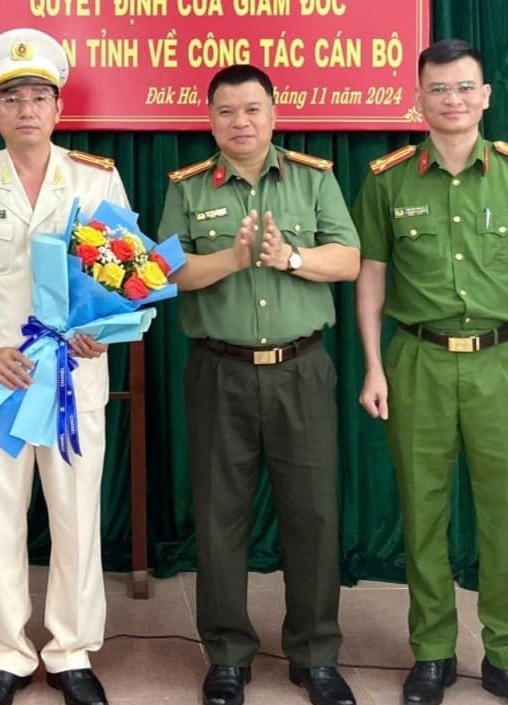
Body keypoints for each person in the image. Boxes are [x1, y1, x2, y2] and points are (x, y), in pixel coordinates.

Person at [352, 39, 508, 705]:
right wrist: (372, 366)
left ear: (486, 96)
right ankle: (433, 652)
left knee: (507, 516)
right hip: (415, 360)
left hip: (505, 364)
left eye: (464, 87)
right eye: (439, 89)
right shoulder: (387, 179)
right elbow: (370, 277)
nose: (452, 99)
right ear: (417, 99)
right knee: (421, 514)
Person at [0, 28, 129, 705]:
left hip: (72, 381)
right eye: (12, 98)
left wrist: (101, 333)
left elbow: (123, 275)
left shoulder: (96, 177)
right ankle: (7, 650)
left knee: (74, 515)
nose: (27, 109)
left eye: (39, 95)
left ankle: (70, 651)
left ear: (58, 107)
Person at [157, 64, 361, 705]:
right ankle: (226, 656)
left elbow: (350, 259)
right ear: (209, 119)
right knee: (219, 518)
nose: (239, 122)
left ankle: (315, 654)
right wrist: (235, 258)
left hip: (301, 370)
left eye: (251, 110)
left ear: (273, 113)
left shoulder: (313, 178)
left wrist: (290, 258)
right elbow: (168, 274)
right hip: (219, 372)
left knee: (315, 517)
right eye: (225, 111)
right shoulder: (187, 188)